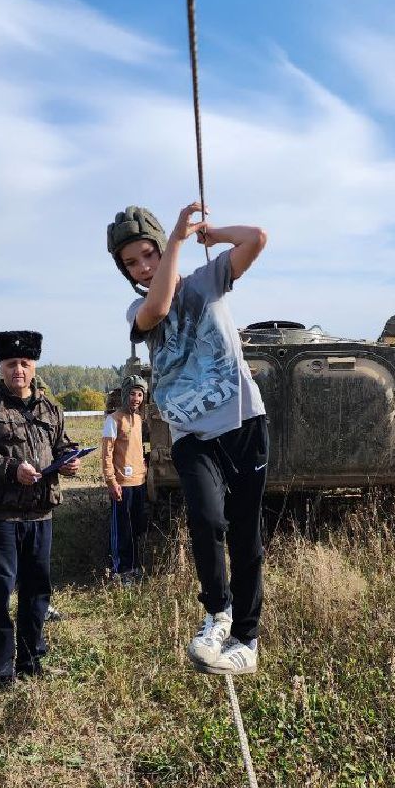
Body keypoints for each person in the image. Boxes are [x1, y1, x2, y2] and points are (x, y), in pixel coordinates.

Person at [106, 202, 269, 675]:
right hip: (192, 434)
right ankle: (218, 613)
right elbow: (157, 309)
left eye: (148, 254)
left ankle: (246, 641)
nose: (143, 267)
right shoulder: (138, 308)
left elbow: (256, 237)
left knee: (245, 533)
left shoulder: (208, 280)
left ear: (159, 248)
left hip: (243, 425)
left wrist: (212, 234)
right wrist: (176, 240)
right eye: (132, 263)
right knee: (206, 517)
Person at [0, 331, 82, 687]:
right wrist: (12, 469)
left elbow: (62, 445)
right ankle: (0, 670)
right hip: (1, 518)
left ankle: (31, 661)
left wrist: (69, 461)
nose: (18, 370)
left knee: (37, 592)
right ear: (1, 366)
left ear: (34, 366)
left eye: (25, 363)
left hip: (41, 515)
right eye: (11, 364)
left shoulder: (50, 408)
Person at [101, 374, 150, 583]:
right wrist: (111, 481)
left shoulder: (139, 419)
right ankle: (121, 571)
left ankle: (134, 567)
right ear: (124, 395)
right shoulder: (113, 420)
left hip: (139, 483)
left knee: (136, 527)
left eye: (140, 394)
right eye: (132, 394)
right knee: (122, 528)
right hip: (121, 484)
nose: (136, 398)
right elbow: (106, 454)